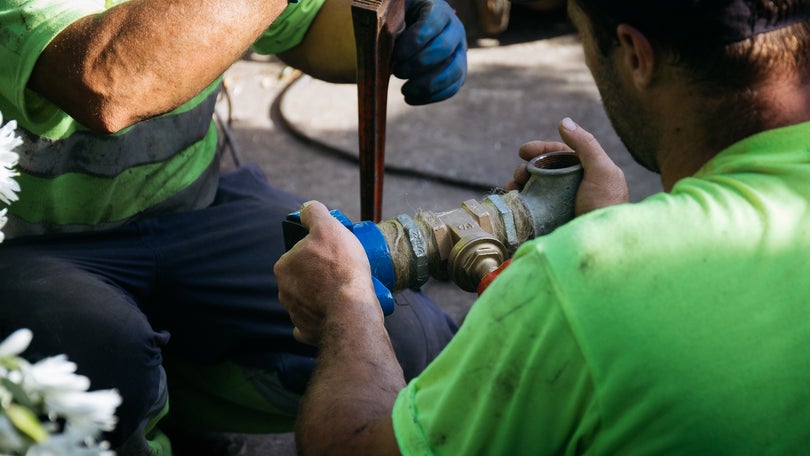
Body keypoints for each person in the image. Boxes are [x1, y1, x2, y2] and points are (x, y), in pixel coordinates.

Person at [274, 0, 810, 453]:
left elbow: (349, 446)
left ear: (636, 56)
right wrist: (609, 233)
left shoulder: (577, 287)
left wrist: (346, 302)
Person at [0, 0, 467, 453]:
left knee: (403, 340)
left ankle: (173, 396)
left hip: (189, 210)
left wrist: (398, 24)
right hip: (30, 249)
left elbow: (301, 25)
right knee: (97, 369)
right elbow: (108, 80)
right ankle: (138, 399)